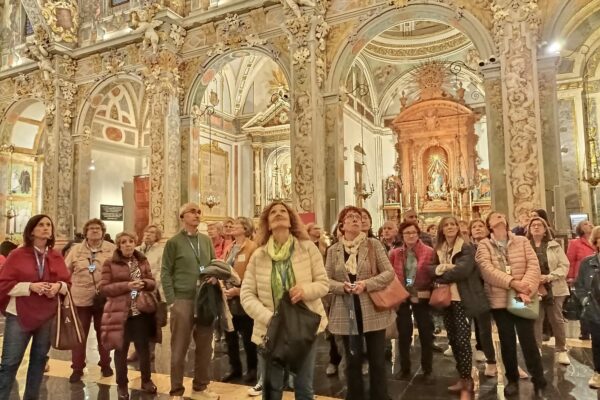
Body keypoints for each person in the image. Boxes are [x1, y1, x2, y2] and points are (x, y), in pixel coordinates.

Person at [240, 201, 329, 400]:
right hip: (270, 329)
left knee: (304, 387)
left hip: (303, 326)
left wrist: (305, 290)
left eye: (283, 211)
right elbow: (246, 294)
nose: (278, 214)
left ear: (291, 221)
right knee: (272, 388)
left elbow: (324, 283)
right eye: (273, 212)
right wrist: (269, 317)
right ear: (267, 224)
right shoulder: (258, 255)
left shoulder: (307, 249)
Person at [325, 206, 394, 400]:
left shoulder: (373, 244)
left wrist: (367, 284)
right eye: (350, 217)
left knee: (377, 360)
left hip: (372, 307)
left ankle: (379, 396)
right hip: (346, 309)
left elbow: (389, 273)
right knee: (352, 360)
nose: (356, 219)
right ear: (342, 225)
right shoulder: (334, 250)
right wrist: (342, 287)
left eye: (358, 217)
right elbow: (326, 280)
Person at [475, 212, 546, 397]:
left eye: (501, 215)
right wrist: (512, 282)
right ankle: (512, 379)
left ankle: (538, 376)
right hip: (499, 300)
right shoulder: (484, 245)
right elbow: (486, 270)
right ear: (489, 224)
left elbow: (533, 265)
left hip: (522, 297)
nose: (500, 217)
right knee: (506, 341)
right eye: (495, 216)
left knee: (527, 338)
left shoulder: (521, 241)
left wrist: (525, 288)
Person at [0, 215, 70, 399]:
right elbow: (4, 284)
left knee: (39, 361)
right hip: (20, 314)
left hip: (47, 315)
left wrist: (57, 287)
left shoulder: (55, 255)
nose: (46, 228)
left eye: (49, 224)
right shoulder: (17, 254)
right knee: (10, 362)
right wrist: (30, 286)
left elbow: (67, 283)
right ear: (31, 230)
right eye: (41, 225)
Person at [161, 203, 218, 400]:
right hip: (182, 299)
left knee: (205, 346)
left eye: (199, 212)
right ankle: (176, 390)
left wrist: (214, 277)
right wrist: (171, 300)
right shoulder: (174, 242)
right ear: (182, 217)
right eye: (192, 212)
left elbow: (213, 265)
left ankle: (200, 387)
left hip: (203, 299)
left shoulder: (206, 240)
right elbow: (166, 272)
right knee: (179, 347)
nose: (196, 215)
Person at [431, 216, 488, 399]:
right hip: (446, 300)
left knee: (463, 341)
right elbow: (430, 268)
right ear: (441, 229)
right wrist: (441, 269)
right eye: (446, 225)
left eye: (453, 224)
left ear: (458, 228)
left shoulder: (466, 247)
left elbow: (463, 270)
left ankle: (468, 380)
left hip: (462, 298)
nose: (450, 227)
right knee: (453, 339)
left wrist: (441, 275)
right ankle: (461, 376)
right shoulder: (439, 248)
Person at [99, 232, 159, 399]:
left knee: (143, 349)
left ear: (135, 243)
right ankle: (122, 385)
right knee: (121, 350)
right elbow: (104, 288)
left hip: (140, 312)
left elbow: (152, 282)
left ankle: (146, 381)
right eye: (124, 242)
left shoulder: (142, 260)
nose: (128, 245)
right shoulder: (109, 263)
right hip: (120, 312)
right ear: (118, 245)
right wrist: (127, 286)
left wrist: (144, 283)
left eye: (131, 241)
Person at [65, 218, 116, 383]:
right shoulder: (76, 250)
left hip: (104, 299)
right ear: (85, 232)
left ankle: (106, 364)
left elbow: (120, 271)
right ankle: (77, 368)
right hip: (80, 298)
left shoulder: (111, 249)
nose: (95, 230)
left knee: (103, 334)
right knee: (79, 335)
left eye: (98, 228)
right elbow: (66, 271)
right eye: (91, 228)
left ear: (103, 231)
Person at [389, 221, 434, 380]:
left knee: (425, 333)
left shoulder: (429, 252)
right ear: (402, 235)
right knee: (404, 333)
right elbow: (390, 274)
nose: (411, 235)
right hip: (402, 296)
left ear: (418, 234)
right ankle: (405, 367)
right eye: (407, 233)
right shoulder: (395, 253)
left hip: (421, 296)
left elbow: (432, 275)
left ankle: (427, 369)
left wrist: (419, 292)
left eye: (413, 232)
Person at [526, 217, 571, 365]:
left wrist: (549, 277)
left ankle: (561, 349)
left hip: (554, 287)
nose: (536, 227)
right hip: (533, 288)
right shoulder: (525, 246)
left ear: (545, 230)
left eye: (540, 225)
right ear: (529, 229)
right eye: (533, 225)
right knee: (536, 319)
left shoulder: (554, 246)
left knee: (556, 319)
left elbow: (564, 266)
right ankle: (536, 348)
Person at [221, 217, 258, 383]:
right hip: (229, 298)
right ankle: (234, 368)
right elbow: (223, 268)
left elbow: (254, 273)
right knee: (230, 335)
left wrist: (239, 290)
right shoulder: (230, 247)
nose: (232, 227)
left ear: (245, 228)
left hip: (244, 296)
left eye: (236, 225)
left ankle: (252, 368)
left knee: (248, 336)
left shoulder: (252, 247)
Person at [128, 224, 164, 363]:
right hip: (135, 290)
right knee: (135, 320)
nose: (148, 234)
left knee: (151, 322)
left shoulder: (161, 251)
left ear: (157, 236)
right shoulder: (136, 250)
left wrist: (150, 283)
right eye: (147, 231)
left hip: (151, 290)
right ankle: (137, 350)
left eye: (152, 232)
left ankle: (150, 351)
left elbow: (161, 270)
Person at [574, 226, 600, 389]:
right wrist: (585, 301)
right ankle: (598, 373)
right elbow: (580, 286)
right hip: (595, 309)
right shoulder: (587, 263)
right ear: (596, 242)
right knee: (597, 343)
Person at [567, 220, 595, 340]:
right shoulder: (575, 243)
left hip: (596, 276)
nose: (588, 225)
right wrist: (570, 276)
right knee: (585, 304)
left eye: (589, 223)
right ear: (580, 229)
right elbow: (570, 261)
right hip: (582, 277)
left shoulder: (596, 241)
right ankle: (585, 331)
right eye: (585, 224)